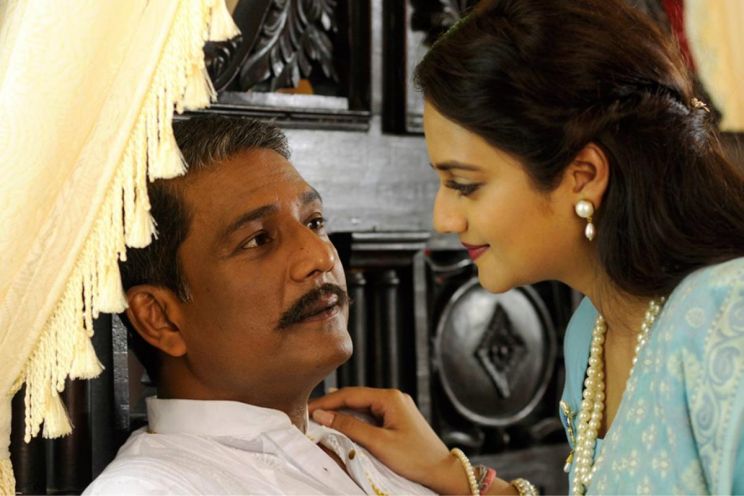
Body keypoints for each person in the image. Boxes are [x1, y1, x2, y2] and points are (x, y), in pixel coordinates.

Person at [308, 0, 744, 494]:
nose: (444, 218)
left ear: (584, 176)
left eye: (466, 185)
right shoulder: (591, 334)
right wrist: (456, 476)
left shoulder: (725, 319)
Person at [83, 116, 433, 495]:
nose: (321, 256)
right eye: (258, 240)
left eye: (314, 222)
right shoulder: (152, 488)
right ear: (160, 318)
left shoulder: (386, 448)